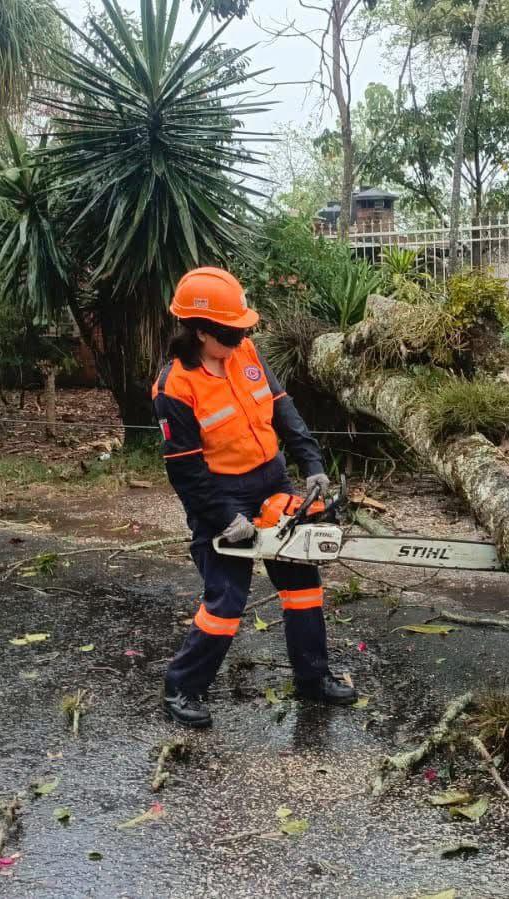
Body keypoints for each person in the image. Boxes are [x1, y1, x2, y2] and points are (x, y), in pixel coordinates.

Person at [151, 266, 357, 728]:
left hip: (271, 482)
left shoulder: (246, 352)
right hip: (218, 495)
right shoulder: (175, 387)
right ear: (201, 331)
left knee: (302, 586)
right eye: (231, 330)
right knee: (226, 601)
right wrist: (224, 516)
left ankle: (313, 679)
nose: (240, 335)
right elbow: (184, 468)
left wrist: (312, 464)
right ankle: (182, 687)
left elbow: (282, 408)